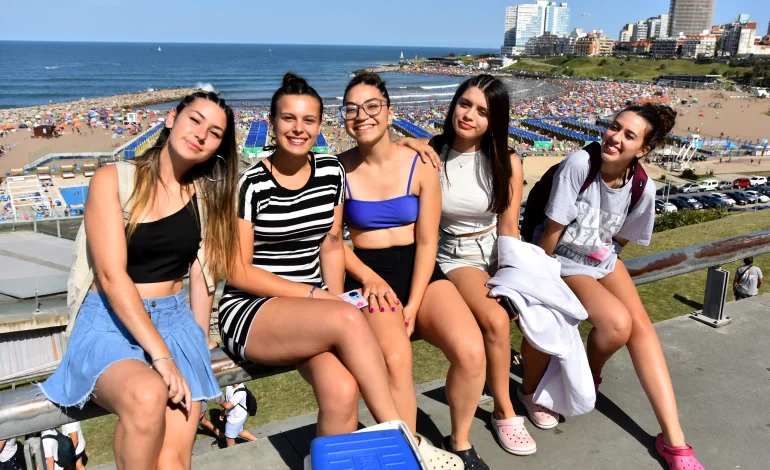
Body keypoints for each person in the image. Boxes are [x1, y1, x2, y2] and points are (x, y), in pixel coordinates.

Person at [39, 91, 240, 470]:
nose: (200, 134)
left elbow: (202, 277)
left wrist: (195, 342)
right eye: (194, 120)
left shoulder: (204, 197)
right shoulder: (114, 179)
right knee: (147, 395)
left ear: (217, 148)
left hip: (176, 321)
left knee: (174, 462)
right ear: (171, 119)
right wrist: (162, 356)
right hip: (111, 321)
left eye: (214, 132)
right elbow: (113, 277)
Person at [218, 73, 402, 438]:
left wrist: (330, 298)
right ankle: (400, 434)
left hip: (313, 311)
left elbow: (332, 244)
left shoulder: (331, 171)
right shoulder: (250, 184)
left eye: (308, 120)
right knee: (348, 320)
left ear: (320, 125)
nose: (298, 128)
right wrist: (321, 299)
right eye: (288, 118)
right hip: (253, 309)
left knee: (343, 391)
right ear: (272, 122)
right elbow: (237, 271)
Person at [526, 103, 704, 470]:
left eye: (628, 135)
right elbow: (551, 233)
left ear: (643, 150)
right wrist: (535, 283)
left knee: (642, 330)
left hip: (600, 257)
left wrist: (603, 254)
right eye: (613, 127)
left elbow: (621, 237)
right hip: (561, 258)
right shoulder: (580, 164)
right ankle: (583, 375)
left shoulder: (642, 186)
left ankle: (675, 441)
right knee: (617, 324)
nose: (614, 137)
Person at [338, 72, 488, 469]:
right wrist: (370, 278)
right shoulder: (338, 170)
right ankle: (414, 450)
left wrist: (415, 303)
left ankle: (460, 441)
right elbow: (335, 244)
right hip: (370, 274)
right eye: (351, 109)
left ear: (389, 113)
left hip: (420, 268)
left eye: (372, 106)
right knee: (396, 360)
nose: (362, 116)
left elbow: (426, 242)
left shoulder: (421, 162)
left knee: (472, 352)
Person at [399, 75, 535, 456]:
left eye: (482, 111)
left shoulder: (507, 162)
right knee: (494, 319)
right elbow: (395, 151)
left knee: (529, 310)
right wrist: (409, 140)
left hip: (495, 248)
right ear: (453, 104)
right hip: (453, 254)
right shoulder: (431, 152)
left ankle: (523, 392)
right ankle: (504, 409)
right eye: (464, 104)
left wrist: (514, 276)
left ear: (495, 120)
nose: (469, 115)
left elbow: (510, 228)